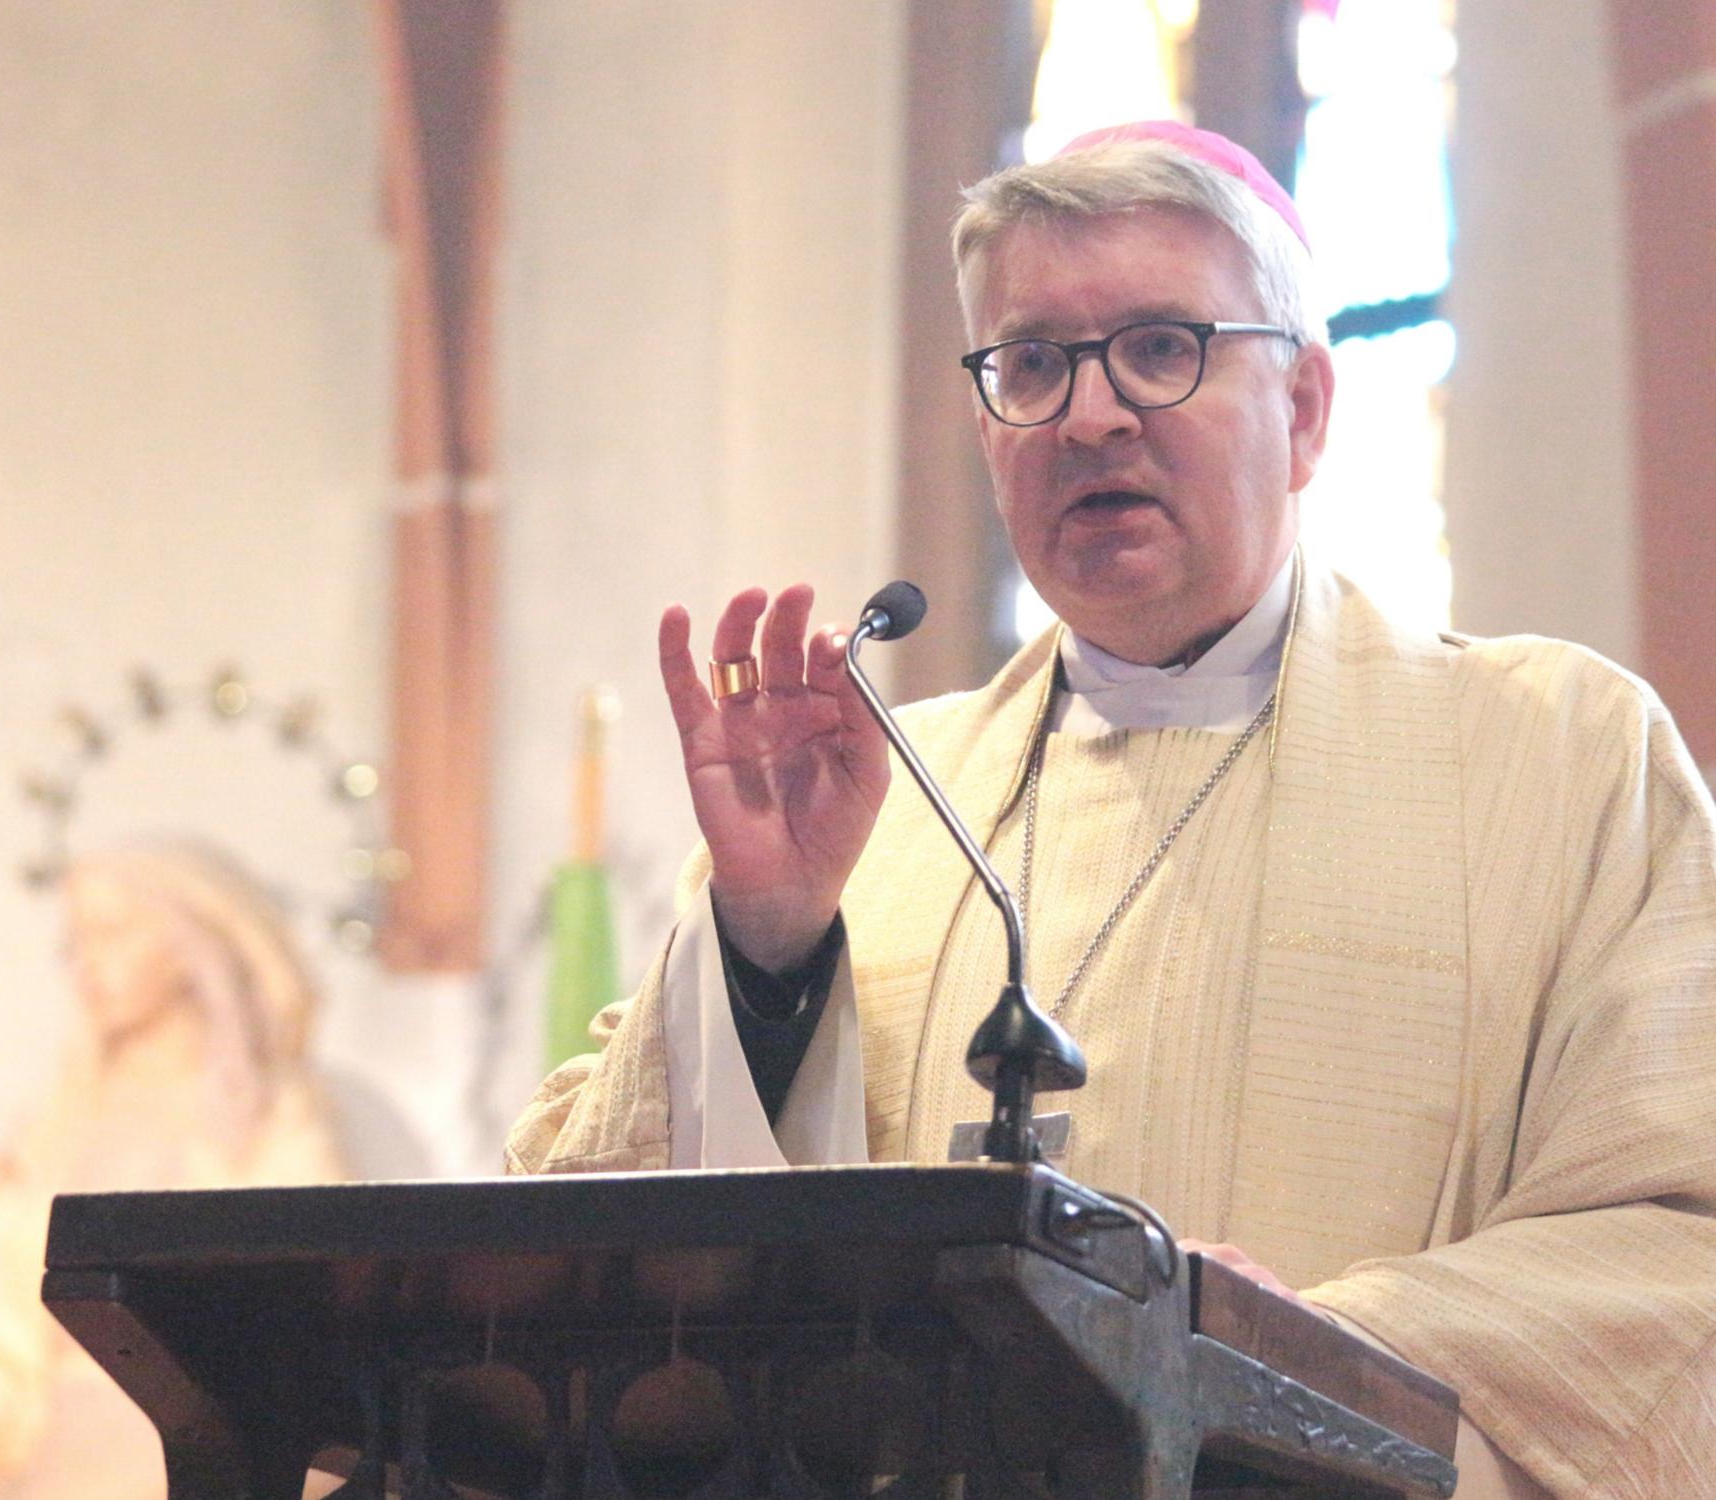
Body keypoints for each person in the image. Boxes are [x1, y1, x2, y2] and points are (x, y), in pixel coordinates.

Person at [507, 122, 1716, 1499]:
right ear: (988, 429)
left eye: (1158, 347)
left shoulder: (1555, 754)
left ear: (1305, 409)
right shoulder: (880, 796)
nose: (1088, 416)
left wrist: (1303, 1360)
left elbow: (1675, 1234)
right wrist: (766, 951)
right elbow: (577, 1275)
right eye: (1031, 365)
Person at [0, 842, 346, 1499]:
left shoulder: (269, 1116)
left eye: (113, 933)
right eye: (75, 941)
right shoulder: (59, 1117)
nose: (86, 963)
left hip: (198, 1453)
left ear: (190, 943)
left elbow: (309, 1307)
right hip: (42, 1452)